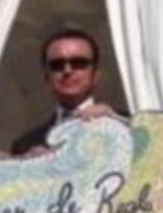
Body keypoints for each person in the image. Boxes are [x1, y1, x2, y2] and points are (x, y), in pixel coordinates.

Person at [11, 27, 122, 156]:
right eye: (57, 65)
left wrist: (116, 124)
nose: (67, 70)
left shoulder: (126, 127)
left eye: (78, 63)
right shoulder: (25, 145)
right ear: (46, 75)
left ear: (95, 73)